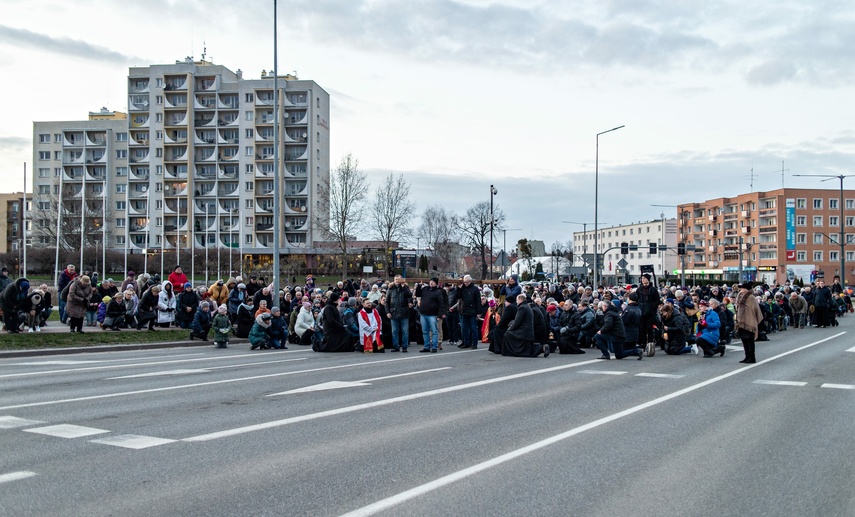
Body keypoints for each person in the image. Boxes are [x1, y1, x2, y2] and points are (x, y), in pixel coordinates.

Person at [502, 293, 549, 358]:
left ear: (520, 300)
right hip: (527, 331)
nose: (516, 302)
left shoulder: (522, 308)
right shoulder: (526, 307)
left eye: (517, 300)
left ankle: (511, 351)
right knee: (527, 350)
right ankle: (542, 348)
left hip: (524, 332)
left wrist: (510, 328)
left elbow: (517, 322)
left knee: (507, 334)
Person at [416, 278, 447, 353]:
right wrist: (419, 286)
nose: (431, 283)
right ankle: (426, 346)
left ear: (436, 283)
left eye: (433, 282)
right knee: (425, 331)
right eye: (431, 281)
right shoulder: (425, 289)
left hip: (432, 315)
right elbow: (418, 294)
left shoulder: (438, 292)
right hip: (423, 314)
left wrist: (440, 314)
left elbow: (441, 304)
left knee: (434, 331)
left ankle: (434, 346)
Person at [735, 282, 763, 363]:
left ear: (746, 289)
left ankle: (752, 357)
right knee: (744, 339)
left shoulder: (751, 297)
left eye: (742, 288)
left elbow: (755, 309)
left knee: (749, 340)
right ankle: (747, 356)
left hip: (749, 321)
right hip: (741, 321)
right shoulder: (740, 296)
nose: (741, 290)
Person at [451, 275, 482, 349]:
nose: (466, 283)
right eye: (465, 282)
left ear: (470, 281)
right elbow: (457, 296)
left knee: (473, 328)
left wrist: (478, 312)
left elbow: (478, 301)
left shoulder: (475, 289)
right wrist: (459, 288)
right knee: (464, 328)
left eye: (467, 282)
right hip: (464, 311)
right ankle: (465, 342)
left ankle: (474, 343)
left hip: (472, 311)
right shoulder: (462, 288)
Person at [386, 275, 412, 352]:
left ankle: (404, 346)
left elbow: (409, 295)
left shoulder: (405, 288)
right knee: (394, 331)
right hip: (393, 312)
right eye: (396, 279)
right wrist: (388, 312)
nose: (397, 281)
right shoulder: (390, 288)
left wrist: (404, 287)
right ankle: (396, 346)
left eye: (399, 279)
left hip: (404, 312)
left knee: (405, 331)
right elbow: (387, 301)